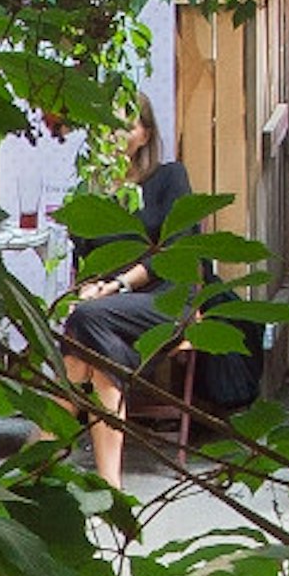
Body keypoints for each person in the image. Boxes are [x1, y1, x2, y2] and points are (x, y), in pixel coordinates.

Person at [57, 108, 198, 491]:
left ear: (147, 134)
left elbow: (179, 249)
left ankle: (40, 451)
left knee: (84, 326)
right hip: (107, 309)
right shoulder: (93, 192)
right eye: (110, 124)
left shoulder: (169, 178)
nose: (119, 132)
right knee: (95, 349)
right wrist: (89, 287)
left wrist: (118, 285)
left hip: (167, 298)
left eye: (129, 124)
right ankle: (110, 486)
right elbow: (84, 262)